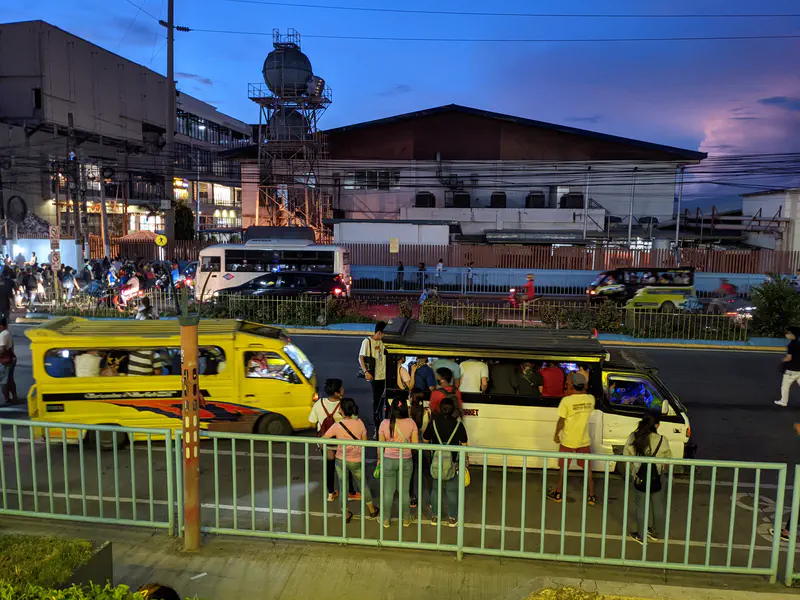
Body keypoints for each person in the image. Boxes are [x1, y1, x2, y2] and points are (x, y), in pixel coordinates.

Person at [547, 372, 596, 505]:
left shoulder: (566, 401)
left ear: (571, 385)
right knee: (588, 470)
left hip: (568, 440)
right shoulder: (591, 399)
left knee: (563, 469)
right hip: (583, 440)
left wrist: (556, 434)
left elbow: (561, 421)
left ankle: (558, 494)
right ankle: (591, 496)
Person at [624, 415, 672, 544]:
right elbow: (668, 460)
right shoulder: (663, 440)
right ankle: (655, 532)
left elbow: (626, 456)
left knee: (641, 507)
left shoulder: (633, 437)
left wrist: (632, 472)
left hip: (639, 477)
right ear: (657, 425)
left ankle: (641, 535)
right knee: (658, 506)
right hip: (657, 476)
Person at [308, 378, 357, 502]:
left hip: (326, 443)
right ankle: (350, 491)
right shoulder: (344, 404)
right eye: (341, 388)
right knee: (346, 467)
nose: (343, 389)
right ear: (336, 392)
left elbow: (312, 421)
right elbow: (355, 420)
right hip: (342, 443)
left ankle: (330, 493)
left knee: (329, 467)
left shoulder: (319, 403)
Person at [423, 395, 468, 527]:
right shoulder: (458, 425)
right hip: (452, 463)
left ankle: (435, 517)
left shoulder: (434, 423)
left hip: (436, 462)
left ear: (441, 409)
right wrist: (465, 461)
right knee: (451, 491)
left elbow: (425, 440)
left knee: (436, 490)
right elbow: (464, 445)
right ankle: (452, 518)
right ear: (453, 410)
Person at [378, 396, 419, 528]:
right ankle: (406, 519)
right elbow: (415, 444)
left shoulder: (384, 423)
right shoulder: (411, 423)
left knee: (388, 492)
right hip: (406, 460)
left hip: (389, 460)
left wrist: (379, 460)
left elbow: (380, 446)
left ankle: (385, 520)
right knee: (405, 491)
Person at [359, 321, 387, 428]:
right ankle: (377, 424)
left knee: (384, 400)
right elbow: (361, 357)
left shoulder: (383, 342)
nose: (384, 336)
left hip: (384, 375)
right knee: (377, 400)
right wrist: (366, 372)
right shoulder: (367, 342)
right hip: (375, 376)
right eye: (384, 333)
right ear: (379, 332)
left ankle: (383, 422)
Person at [408, 387, 430, 509]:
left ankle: (412, 498)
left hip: (410, 446)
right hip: (424, 446)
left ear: (411, 398)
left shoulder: (408, 412)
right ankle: (432, 499)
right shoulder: (428, 412)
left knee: (410, 474)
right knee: (427, 474)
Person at [776, 326, 800, 407]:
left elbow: (789, 358)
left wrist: (783, 360)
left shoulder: (791, 345)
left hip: (791, 369)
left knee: (785, 385)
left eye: (789, 333)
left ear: (793, 335)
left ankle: (783, 401)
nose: (787, 335)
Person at [0, 318, 16, 404]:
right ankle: (14, 397)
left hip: (5, 360)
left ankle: (7, 399)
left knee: (4, 381)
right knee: (9, 380)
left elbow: (2, 350)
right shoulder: (6, 333)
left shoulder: (3, 334)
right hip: (10, 359)